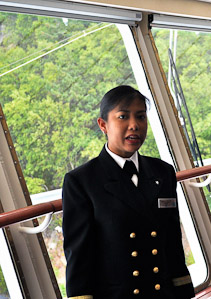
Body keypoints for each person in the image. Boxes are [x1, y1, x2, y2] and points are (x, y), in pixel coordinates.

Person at [62, 85, 195, 299]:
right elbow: (79, 257)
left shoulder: (163, 172)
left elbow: (172, 244)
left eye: (141, 117)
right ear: (103, 125)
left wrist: (183, 291)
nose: (134, 125)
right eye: (123, 117)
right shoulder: (82, 181)